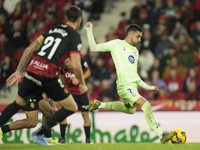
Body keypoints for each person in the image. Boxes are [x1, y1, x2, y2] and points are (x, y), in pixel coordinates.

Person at [0, 5, 87, 145]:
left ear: (65, 17)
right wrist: (82, 83)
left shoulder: (52, 30)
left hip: (32, 70)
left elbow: (29, 49)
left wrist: (18, 71)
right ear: (79, 19)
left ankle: (45, 138)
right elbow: (76, 65)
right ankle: (38, 134)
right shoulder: (74, 36)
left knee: (20, 103)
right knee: (71, 107)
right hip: (47, 74)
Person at [84, 22, 174, 144]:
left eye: (141, 36)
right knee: (146, 105)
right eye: (138, 36)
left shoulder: (135, 52)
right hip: (124, 86)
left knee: (130, 111)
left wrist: (147, 87)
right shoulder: (116, 44)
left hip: (132, 86)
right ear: (129, 34)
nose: (140, 39)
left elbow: (135, 75)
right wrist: (89, 30)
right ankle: (161, 134)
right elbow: (94, 48)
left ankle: (100, 105)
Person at [58, 57, 92, 144]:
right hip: (68, 93)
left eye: (68, 60)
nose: (66, 62)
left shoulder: (80, 60)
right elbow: (61, 76)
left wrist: (79, 80)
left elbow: (88, 72)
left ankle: (88, 140)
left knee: (85, 115)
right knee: (62, 114)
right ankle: (62, 138)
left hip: (80, 92)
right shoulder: (61, 62)